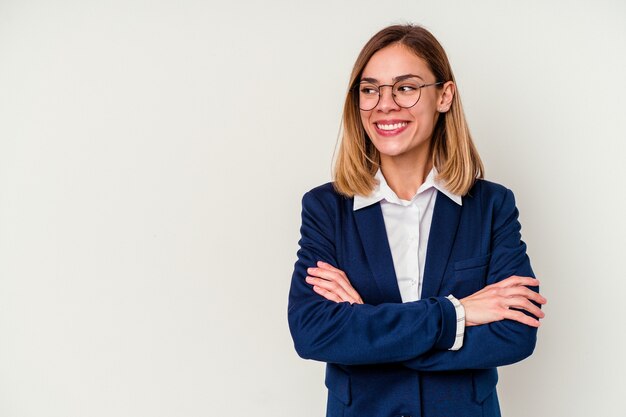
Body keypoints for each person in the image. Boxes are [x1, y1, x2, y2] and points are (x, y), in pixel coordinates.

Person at [287, 24, 547, 417]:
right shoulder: (326, 209)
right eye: (370, 89)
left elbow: (515, 333)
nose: (384, 104)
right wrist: (457, 313)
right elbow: (313, 333)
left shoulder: (492, 206)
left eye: (406, 88)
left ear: (444, 96)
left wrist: (368, 332)